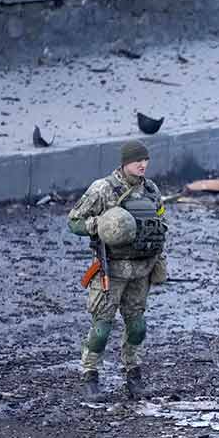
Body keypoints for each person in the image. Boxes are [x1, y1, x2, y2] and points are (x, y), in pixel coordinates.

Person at [68, 140, 168, 399]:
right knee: (102, 328)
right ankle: (90, 376)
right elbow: (74, 221)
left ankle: (133, 375)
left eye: (146, 160)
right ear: (125, 163)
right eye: (138, 161)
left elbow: (160, 221)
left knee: (137, 327)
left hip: (141, 269)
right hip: (110, 272)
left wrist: (158, 257)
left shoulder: (151, 189)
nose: (143, 165)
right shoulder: (102, 189)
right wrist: (99, 225)